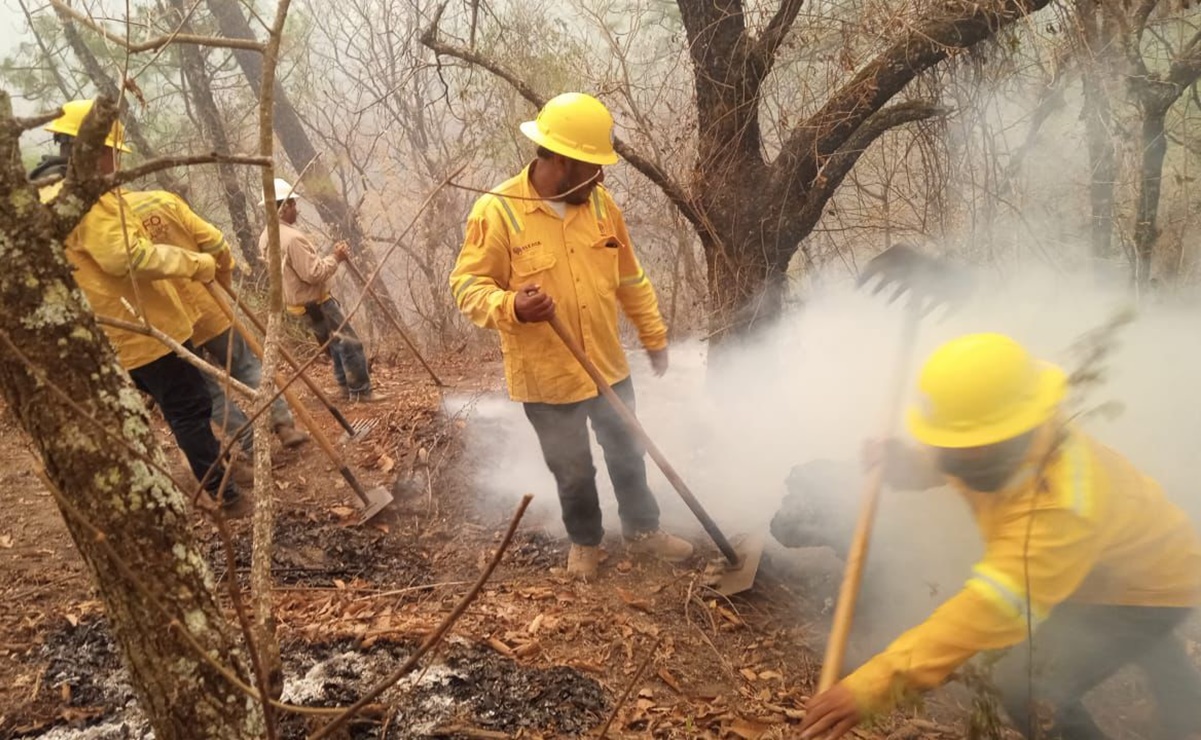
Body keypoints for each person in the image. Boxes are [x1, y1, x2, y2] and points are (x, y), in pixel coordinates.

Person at [800, 333, 1201, 739]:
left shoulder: (1059, 507)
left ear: (1008, 435)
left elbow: (989, 609)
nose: (952, 457)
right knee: (1154, 648)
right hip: (1121, 555)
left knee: (1028, 687)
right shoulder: (1001, 436)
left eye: (963, 448)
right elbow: (957, 457)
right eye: (948, 444)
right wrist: (909, 466)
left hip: (1148, 585)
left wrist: (873, 685)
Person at [449, 92, 693, 580]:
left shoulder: (601, 206)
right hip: (547, 378)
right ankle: (585, 544)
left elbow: (629, 277)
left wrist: (653, 333)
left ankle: (644, 533)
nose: (601, 177)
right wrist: (512, 305)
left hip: (606, 362)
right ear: (559, 161)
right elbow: (467, 286)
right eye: (592, 166)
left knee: (628, 451)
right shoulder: (497, 213)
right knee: (573, 469)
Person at [36, 99, 249, 517]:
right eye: (114, 153)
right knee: (190, 409)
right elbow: (127, 257)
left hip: (113, 336)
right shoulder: (86, 197)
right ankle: (227, 497)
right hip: (146, 331)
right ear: (93, 149)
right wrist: (198, 263)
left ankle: (215, 474)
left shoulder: (45, 196)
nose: (117, 163)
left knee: (183, 406)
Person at [125, 189, 311, 454]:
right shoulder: (163, 200)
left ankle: (253, 445)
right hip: (208, 302)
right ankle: (283, 424)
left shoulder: (110, 222)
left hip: (170, 323)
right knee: (246, 365)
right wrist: (223, 277)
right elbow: (213, 242)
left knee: (207, 389)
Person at [261, 179, 387, 403]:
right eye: (293, 204)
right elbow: (314, 273)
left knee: (334, 343)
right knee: (349, 342)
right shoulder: (292, 239)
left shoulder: (266, 236)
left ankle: (345, 387)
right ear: (285, 206)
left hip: (298, 306)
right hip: (316, 303)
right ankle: (360, 391)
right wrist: (336, 258)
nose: (296, 209)